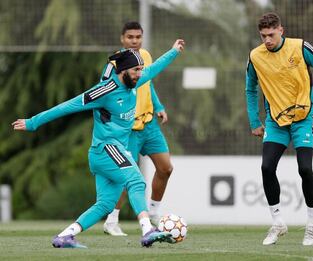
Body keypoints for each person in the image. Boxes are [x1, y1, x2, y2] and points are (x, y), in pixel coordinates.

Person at [12, 39, 185, 248]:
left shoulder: (135, 81)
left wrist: (173, 51)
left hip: (109, 152)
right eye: (136, 70)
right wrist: (32, 122)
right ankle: (148, 230)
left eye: (141, 69)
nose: (140, 73)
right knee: (137, 181)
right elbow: (67, 106)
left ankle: (65, 236)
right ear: (123, 71)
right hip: (106, 149)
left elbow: (155, 68)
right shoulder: (103, 91)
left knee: (105, 204)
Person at [245, 12, 313, 246]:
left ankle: (312, 224)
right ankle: (277, 222)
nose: (267, 40)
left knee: (305, 168)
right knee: (266, 167)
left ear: (281, 30)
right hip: (276, 121)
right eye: (263, 36)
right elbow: (250, 88)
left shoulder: (300, 47)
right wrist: (254, 121)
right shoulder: (255, 56)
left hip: (303, 117)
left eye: (271, 35)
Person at [101, 21, 175, 236]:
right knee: (127, 177)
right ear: (122, 39)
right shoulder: (115, 63)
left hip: (149, 124)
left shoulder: (146, 56)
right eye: (130, 37)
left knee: (165, 168)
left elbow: (147, 84)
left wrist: (159, 107)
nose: (134, 41)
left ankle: (153, 211)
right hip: (127, 129)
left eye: (138, 37)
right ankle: (111, 220)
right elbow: (104, 90)